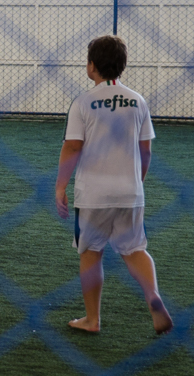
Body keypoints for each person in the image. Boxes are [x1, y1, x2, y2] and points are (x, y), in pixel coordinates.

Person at [55, 35, 173, 335]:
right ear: (122, 65)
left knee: (90, 253)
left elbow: (72, 147)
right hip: (130, 192)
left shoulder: (83, 102)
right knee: (134, 250)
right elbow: (146, 149)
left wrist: (60, 186)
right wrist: (137, 181)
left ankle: (92, 319)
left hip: (92, 194)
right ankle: (153, 296)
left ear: (91, 66)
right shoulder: (137, 100)